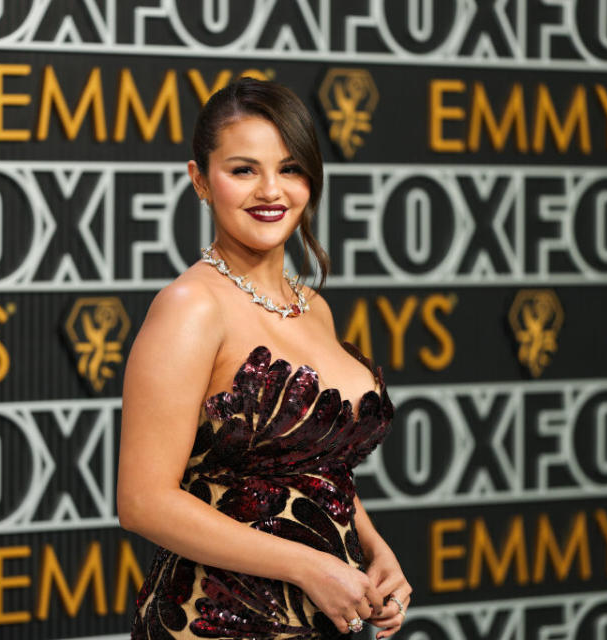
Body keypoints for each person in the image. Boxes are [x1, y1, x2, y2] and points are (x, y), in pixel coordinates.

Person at [118, 78, 410, 640]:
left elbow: (314, 465)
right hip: (218, 618)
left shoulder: (313, 308)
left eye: (291, 168)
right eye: (244, 170)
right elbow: (143, 501)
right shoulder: (191, 307)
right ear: (200, 180)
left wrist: (374, 549)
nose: (271, 191)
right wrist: (309, 566)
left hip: (327, 614)